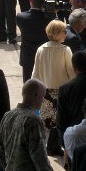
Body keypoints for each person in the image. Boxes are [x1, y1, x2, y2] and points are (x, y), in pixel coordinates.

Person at [0, 78, 55, 171]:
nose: (43, 101)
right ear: (36, 96)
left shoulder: (7, 116)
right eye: (43, 97)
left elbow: (0, 153)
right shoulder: (33, 120)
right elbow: (39, 157)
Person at [31, 18, 76, 155]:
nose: (66, 34)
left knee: (48, 123)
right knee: (61, 122)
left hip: (45, 92)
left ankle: (49, 148)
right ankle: (55, 147)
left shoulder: (41, 49)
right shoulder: (65, 50)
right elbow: (71, 72)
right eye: (64, 31)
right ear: (57, 33)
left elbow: (35, 73)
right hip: (62, 92)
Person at [16, 0, 53, 81]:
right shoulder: (50, 19)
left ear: (30, 1)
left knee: (28, 83)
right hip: (45, 57)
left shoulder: (21, 17)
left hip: (28, 57)